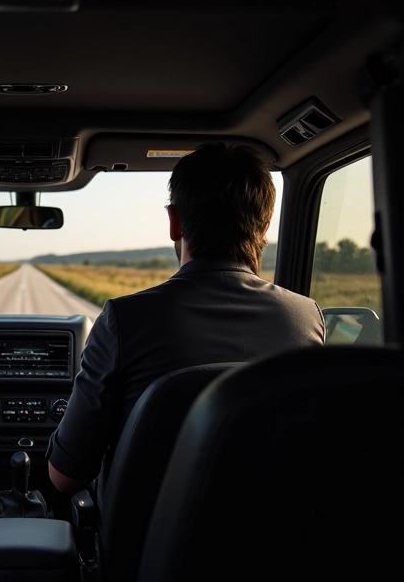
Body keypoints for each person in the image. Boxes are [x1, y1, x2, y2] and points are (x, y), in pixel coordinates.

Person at [46, 142, 326, 495]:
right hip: (277, 547)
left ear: (174, 222)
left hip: (148, 550)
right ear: (265, 225)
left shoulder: (125, 319)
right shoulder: (307, 318)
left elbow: (64, 477)